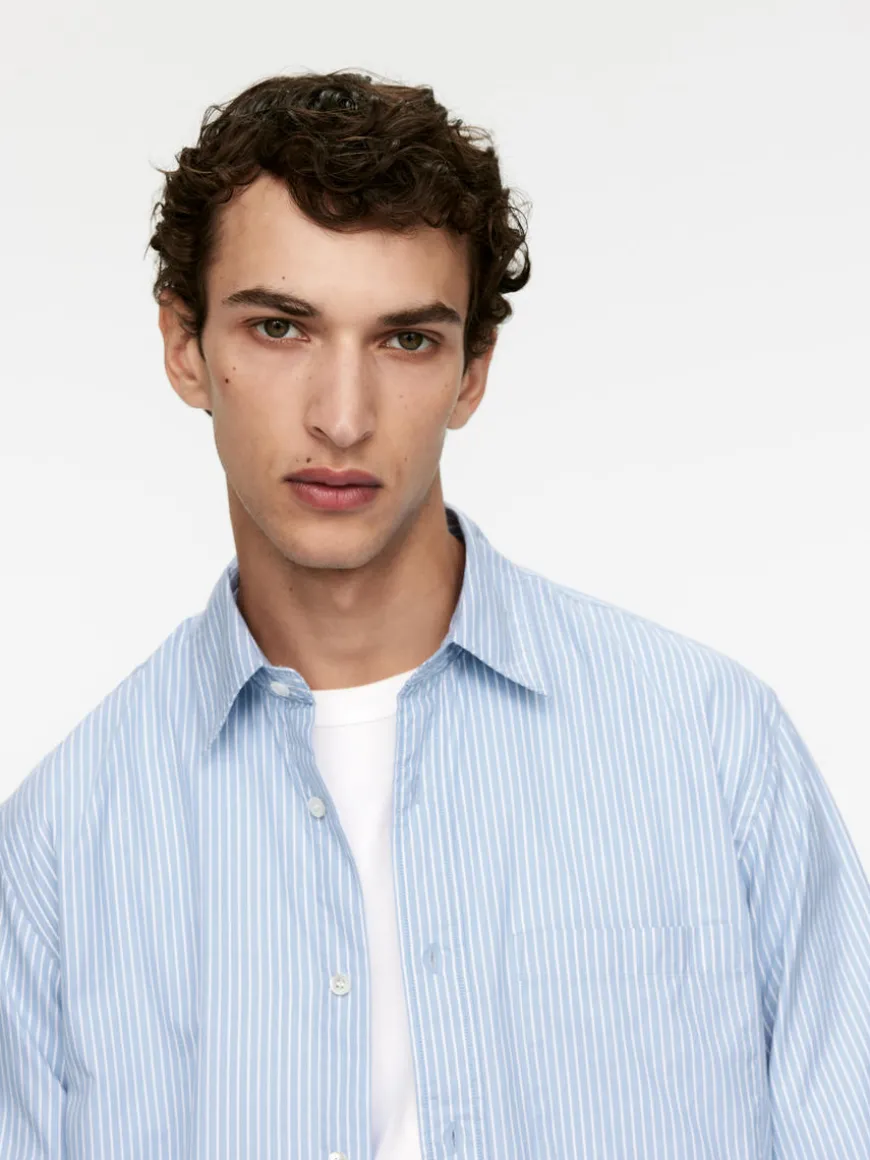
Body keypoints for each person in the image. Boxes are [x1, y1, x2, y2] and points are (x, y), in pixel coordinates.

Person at [1, 68, 868, 1160]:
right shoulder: (61, 848)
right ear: (186, 347)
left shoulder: (711, 747)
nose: (342, 417)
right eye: (280, 327)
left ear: (471, 373)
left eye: (406, 339)